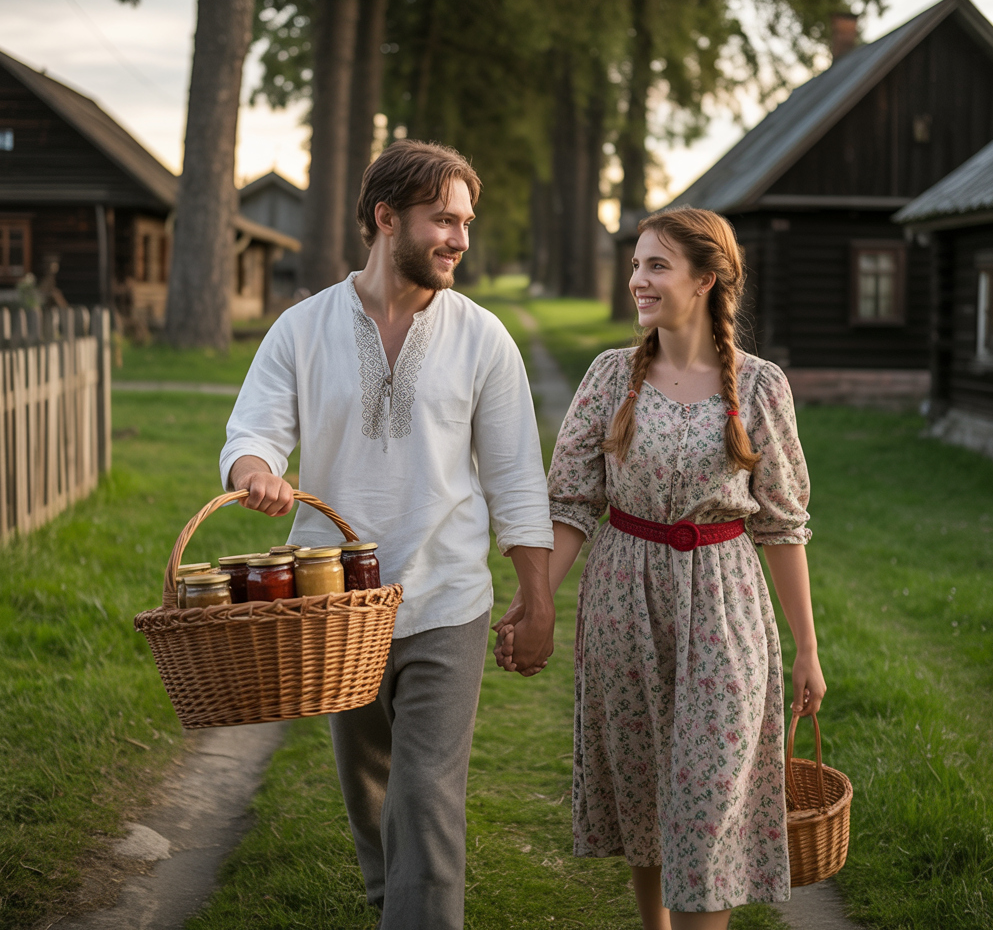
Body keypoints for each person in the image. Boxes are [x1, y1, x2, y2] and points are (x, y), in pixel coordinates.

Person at [220, 140, 555, 930]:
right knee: (369, 794)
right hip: (334, 607)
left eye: (466, 222)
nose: (460, 240)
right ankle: (390, 908)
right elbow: (252, 431)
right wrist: (257, 472)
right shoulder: (301, 330)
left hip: (448, 600)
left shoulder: (485, 339)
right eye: (444, 220)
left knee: (426, 794)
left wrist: (535, 599)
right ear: (385, 219)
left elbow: (515, 480)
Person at [495, 207, 826, 929]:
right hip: (622, 596)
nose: (638, 281)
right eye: (637, 264)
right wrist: (537, 604)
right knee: (642, 783)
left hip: (724, 600)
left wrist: (806, 647)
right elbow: (574, 502)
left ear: (706, 279)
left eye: (656, 266)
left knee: (712, 791)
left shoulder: (761, 387)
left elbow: (782, 523)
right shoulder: (611, 376)